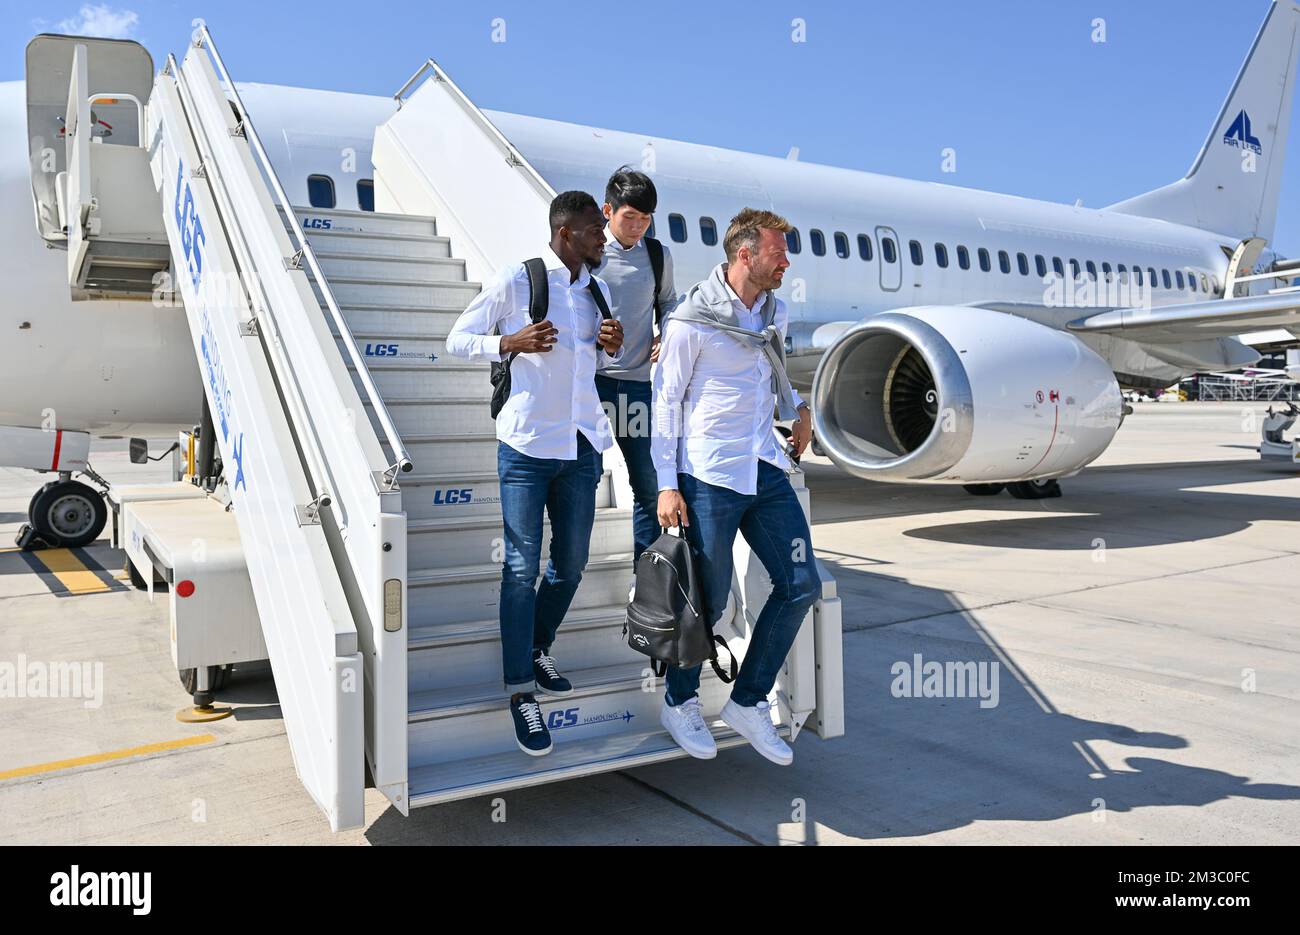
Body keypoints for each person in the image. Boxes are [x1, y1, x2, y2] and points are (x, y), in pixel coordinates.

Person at [445, 191, 625, 757]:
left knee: (570, 564)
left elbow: (595, 365)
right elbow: (456, 339)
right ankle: (521, 688)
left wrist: (610, 348)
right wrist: (510, 342)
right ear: (566, 231)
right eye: (597, 228)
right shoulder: (517, 280)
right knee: (522, 566)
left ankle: (539, 644)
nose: (605, 236)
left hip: (580, 445)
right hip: (525, 447)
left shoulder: (596, 291)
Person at [651, 207, 819, 766]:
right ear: (744, 254)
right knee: (709, 600)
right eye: (778, 253)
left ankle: (747, 702)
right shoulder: (689, 321)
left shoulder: (776, 311)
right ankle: (679, 701)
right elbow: (666, 405)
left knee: (800, 583)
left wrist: (798, 407)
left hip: (764, 464)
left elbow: (774, 376)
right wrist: (666, 485)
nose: (786, 263)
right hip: (710, 473)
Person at [593, 166, 679, 563]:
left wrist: (669, 333)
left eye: (646, 219)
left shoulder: (658, 255)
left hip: (638, 389)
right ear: (608, 210)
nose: (639, 226)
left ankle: (644, 576)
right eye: (631, 217)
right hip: (590, 386)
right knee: (583, 478)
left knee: (648, 485)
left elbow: (668, 304)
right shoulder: (589, 254)